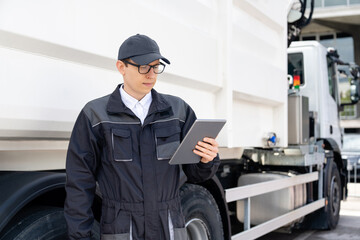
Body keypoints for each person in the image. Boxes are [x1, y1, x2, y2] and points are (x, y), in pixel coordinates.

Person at [64, 34, 220, 240]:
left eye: (156, 67)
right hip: (122, 229)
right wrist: (80, 236)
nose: (151, 75)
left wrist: (207, 160)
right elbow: (79, 182)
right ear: (121, 67)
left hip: (170, 226)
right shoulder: (95, 115)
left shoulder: (178, 111)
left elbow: (196, 174)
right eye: (144, 67)